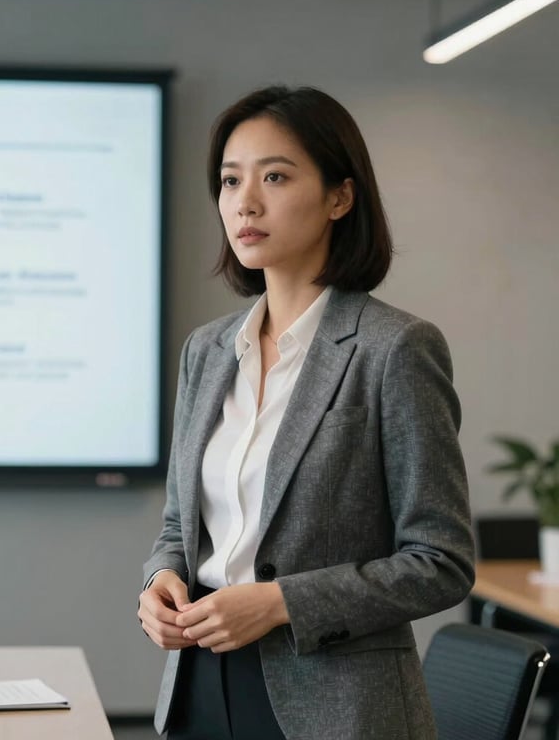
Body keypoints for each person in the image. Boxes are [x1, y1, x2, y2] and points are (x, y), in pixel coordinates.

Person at [137, 85, 474, 740]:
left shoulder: (395, 350)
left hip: (337, 706)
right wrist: (159, 581)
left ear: (340, 197)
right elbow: (181, 523)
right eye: (230, 181)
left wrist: (282, 603)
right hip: (199, 685)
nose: (245, 202)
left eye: (276, 176)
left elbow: (441, 560)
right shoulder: (206, 351)